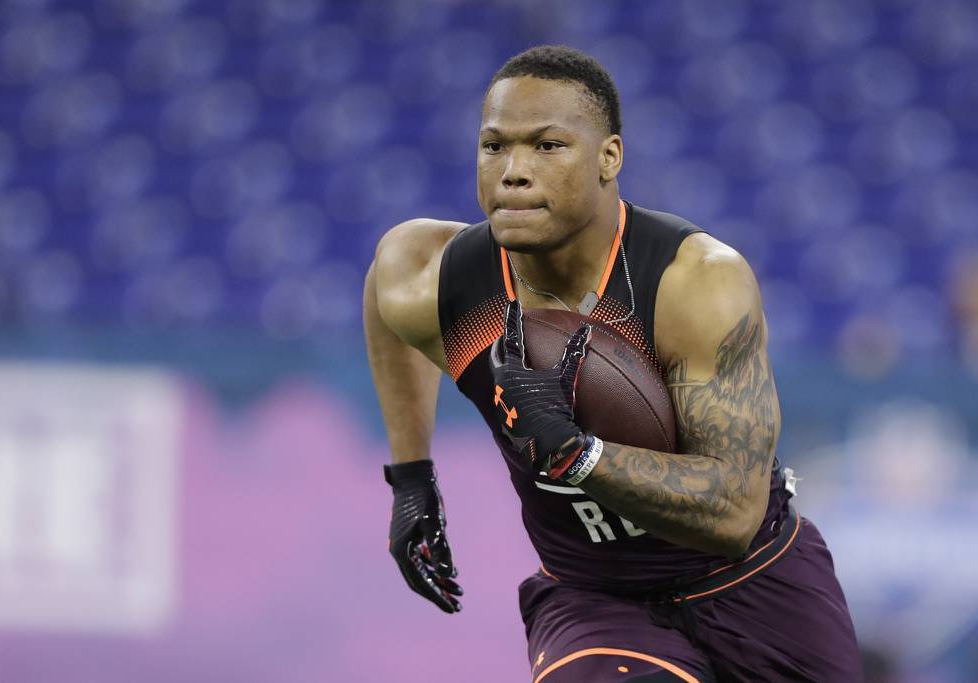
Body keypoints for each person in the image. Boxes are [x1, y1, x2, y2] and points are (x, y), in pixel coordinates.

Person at [364, 45, 863, 682]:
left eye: (547, 146)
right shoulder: (440, 277)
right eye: (494, 147)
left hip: (750, 579)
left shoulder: (694, 285)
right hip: (593, 597)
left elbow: (735, 514)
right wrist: (411, 479)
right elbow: (383, 296)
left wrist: (579, 456)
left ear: (609, 157)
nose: (513, 171)